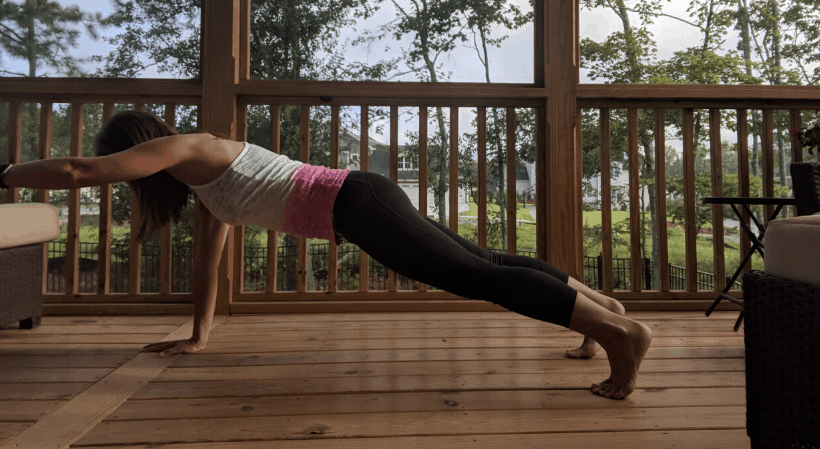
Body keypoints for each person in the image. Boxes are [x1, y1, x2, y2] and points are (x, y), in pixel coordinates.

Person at [0, 110, 652, 400]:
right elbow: (210, 264)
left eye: (128, 161)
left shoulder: (189, 147)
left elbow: (82, 167)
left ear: (141, 150)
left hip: (355, 203)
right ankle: (600, 311)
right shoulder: (207, 190)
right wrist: (198, 335)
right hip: (360, 200)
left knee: (471, 275)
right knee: (481, 260)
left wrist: (6, 173)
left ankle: (620, 332)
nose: (127, 173)